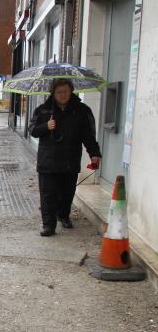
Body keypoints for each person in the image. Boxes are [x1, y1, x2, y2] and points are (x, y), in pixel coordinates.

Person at [28, 78, 102, 237]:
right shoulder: (43, 110)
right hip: (48, 161)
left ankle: (63, 215)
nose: (63, 95)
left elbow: (89, 136)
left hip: (70, 159)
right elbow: (32, 130)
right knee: (48, 195)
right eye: (59, 92)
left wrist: (94, 154)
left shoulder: (82, 111)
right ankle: (48, 225)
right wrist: (45, 126)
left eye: (66, 91)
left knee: (67, 193)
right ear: (53, 93)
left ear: (71, 91)